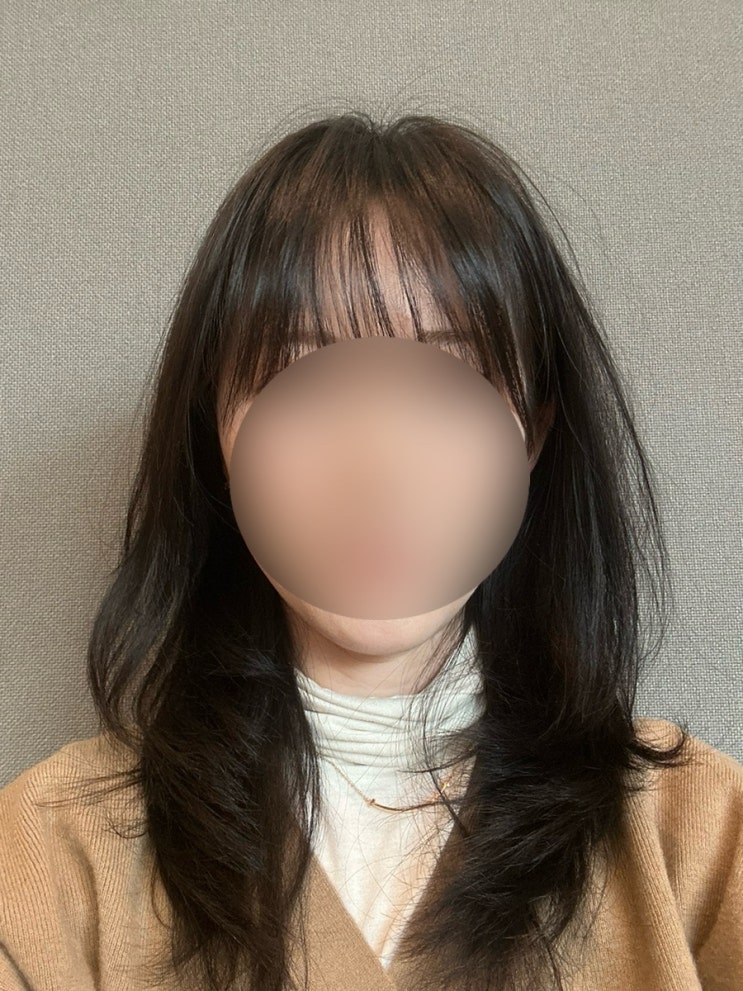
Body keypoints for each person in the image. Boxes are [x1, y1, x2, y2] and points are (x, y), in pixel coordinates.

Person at [0, 110, 740, 991]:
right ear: (220, 436)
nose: (378, 465)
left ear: (532, 436)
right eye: (303, 382)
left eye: (449, 383)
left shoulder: (698, 833)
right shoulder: (47, 855)